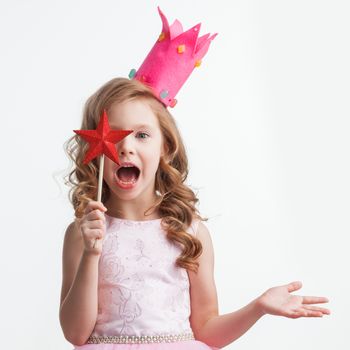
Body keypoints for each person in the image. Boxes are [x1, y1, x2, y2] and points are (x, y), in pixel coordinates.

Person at [60, 7, 330, 350]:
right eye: (114, 135)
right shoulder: (83, 233)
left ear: (165, 148)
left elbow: (206, 329)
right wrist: (91, 256)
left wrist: (258, 307)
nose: (125, 147)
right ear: (94, 149)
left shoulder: (187, 231)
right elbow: (74, 334)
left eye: (141, 135)